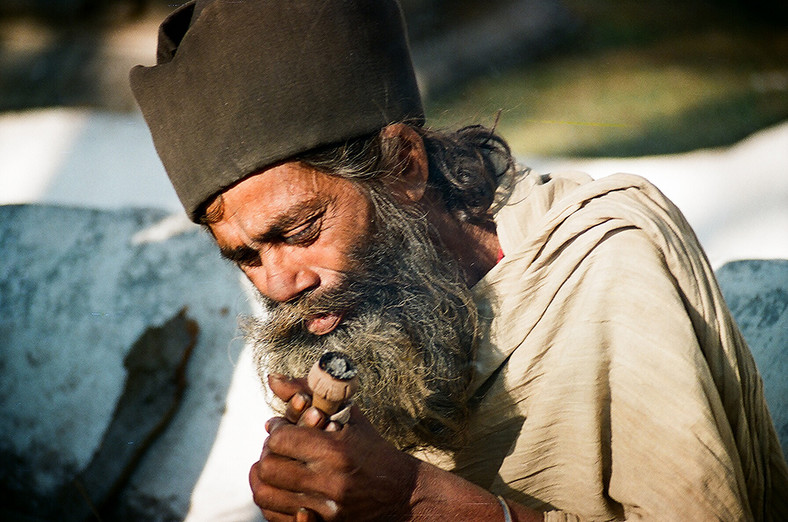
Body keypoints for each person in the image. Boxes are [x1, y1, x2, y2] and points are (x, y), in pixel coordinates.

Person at [130, 1, 788, 520]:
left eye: (301, 229)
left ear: (404, 167)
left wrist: (415, 500)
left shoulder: (605, 261)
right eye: (244, 256)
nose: (280, 284)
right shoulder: (343, 318)